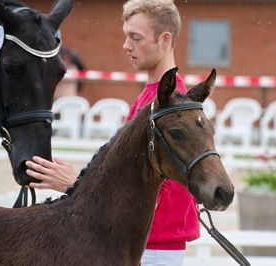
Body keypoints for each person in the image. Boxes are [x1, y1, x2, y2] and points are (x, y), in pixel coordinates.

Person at [25, 1, 199, 265]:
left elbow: (143, 197)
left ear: (164, 40)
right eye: (126, 36)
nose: (126, 46)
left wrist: (75, 186)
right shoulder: (149, 99)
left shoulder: (169, 109)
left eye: (135, 37)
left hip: (152, 251)